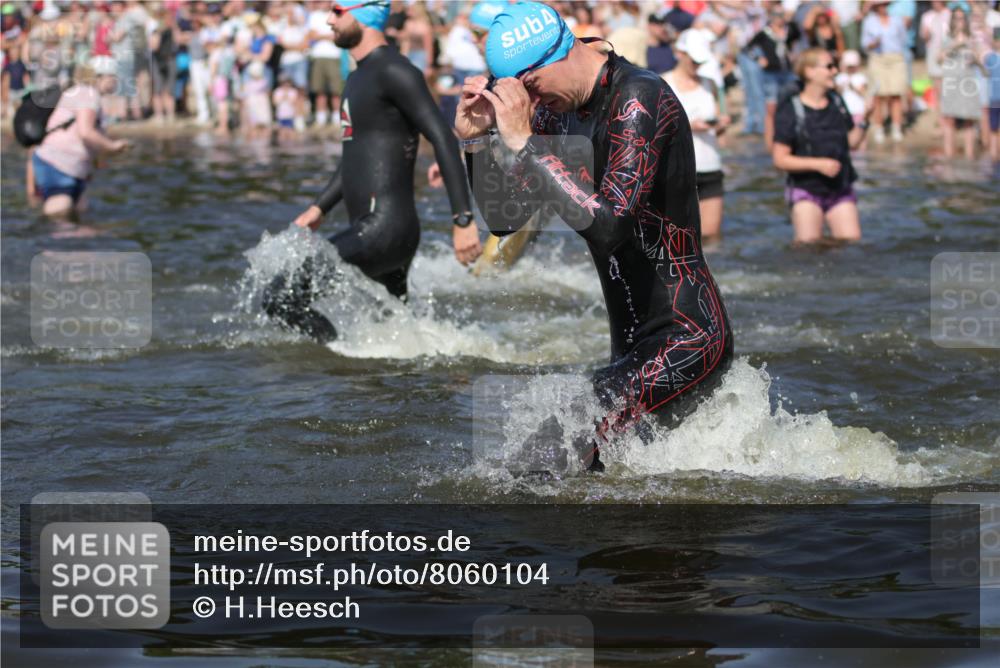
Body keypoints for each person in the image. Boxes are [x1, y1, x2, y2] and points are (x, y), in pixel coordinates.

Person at [460, 2, 733, 471]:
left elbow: (609, 227)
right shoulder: (553, 112)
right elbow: (506, 219)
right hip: (628, 344)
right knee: (596, 482)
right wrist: (477, 142)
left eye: (529, 87)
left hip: (686, 336)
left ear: (555, 55)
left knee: (541, 458)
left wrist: (525, 144)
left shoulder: (638, 99)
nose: (530, 102)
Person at [263, 1, 481, 342]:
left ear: (363, 14)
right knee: (400, 336)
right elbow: (355, 155)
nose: (329, 20)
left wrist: (463, 220)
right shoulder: (357, 77)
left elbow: (441, 137)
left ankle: (338, 361)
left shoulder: (395, 71)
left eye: (337, 11)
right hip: (381, 230)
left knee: (280, 297)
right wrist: (319, 207)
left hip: (384, 229)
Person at [772, 47, 871, 245]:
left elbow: (851, 142)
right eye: (829, 66)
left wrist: (865, 120)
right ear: (809, 72)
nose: (835, 71)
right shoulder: (791, 109)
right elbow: (780, 158)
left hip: (840, 187)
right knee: (809, 246)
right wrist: (818, 164)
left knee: (852, 244)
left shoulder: (836, 102)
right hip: (806, 190)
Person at [27, 56, 129, 218]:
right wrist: (112, 146)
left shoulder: (87, 94)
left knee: (79, 211)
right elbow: (85, 132)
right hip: (57, 165)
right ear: (100, 76)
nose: (116, 81)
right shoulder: (87, 94)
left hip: (69, 167)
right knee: (60, 208)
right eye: (113, 76)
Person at [664, 30, 728, 242]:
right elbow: (657, 129)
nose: (697, 66)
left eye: (700, 62)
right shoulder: (664, 83)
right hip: (678, 170)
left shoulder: (710, 83)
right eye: (694, 60)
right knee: (680, 238)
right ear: (680, 53)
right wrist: (689, 126)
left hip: (710, 165)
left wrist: (720, 124)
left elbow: (720, 124)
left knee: (712, 237)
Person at [748, 9, 798, 149]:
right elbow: (748, 48)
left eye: (781, 16)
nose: (779, 19)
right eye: (777, 16)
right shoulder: (765, 33)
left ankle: (789, 140)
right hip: (771, 73)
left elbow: (798, 36)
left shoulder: (788, 31)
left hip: (787, 71)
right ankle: (770, 143)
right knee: (772, 108)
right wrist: (759, 58)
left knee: (791, 103)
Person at [861, 0, 908, 143]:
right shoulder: (869, 21)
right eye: (880, 5)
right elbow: (864, 44)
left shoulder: (897, 20)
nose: (883, 7)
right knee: (878, 95)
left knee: (896, 94)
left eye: (885, 4)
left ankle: (896, 127)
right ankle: (879, 127)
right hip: (877, 58)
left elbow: (903, 40)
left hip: (895, 58)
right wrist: (873, 44)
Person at [938, 6, 980, 158]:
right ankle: (949, 156)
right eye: (956, 18)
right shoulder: (947, 38)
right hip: (951, 82)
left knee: (969, 120)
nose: (959, 21)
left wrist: (974, 54)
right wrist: (956, 44)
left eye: (961, 18)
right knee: (949, 119)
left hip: (968, 82)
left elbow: (980, 61)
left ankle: (970, 156)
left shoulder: (972, 39)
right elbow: (939, 58)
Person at [307, 0, 342, 126]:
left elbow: (337, 34)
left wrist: (320, 36)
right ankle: (320, 120)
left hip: (334, 56)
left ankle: (337, 120)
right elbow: (311, 35)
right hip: (318, 56)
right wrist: (327, 36)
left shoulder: (338, 14)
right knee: (319, 89)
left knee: (336, 90)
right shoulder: (314, 16)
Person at [273, 73, 299, 140]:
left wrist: (287, 97)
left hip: (290, 115)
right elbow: (275, 103)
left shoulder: (293, 91)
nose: (286, 84)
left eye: (287, 82)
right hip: (281, 115)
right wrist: (282, 97)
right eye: (284, 83)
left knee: (291, 132)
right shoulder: (277, 91)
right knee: (281, 133)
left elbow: (295, 103)